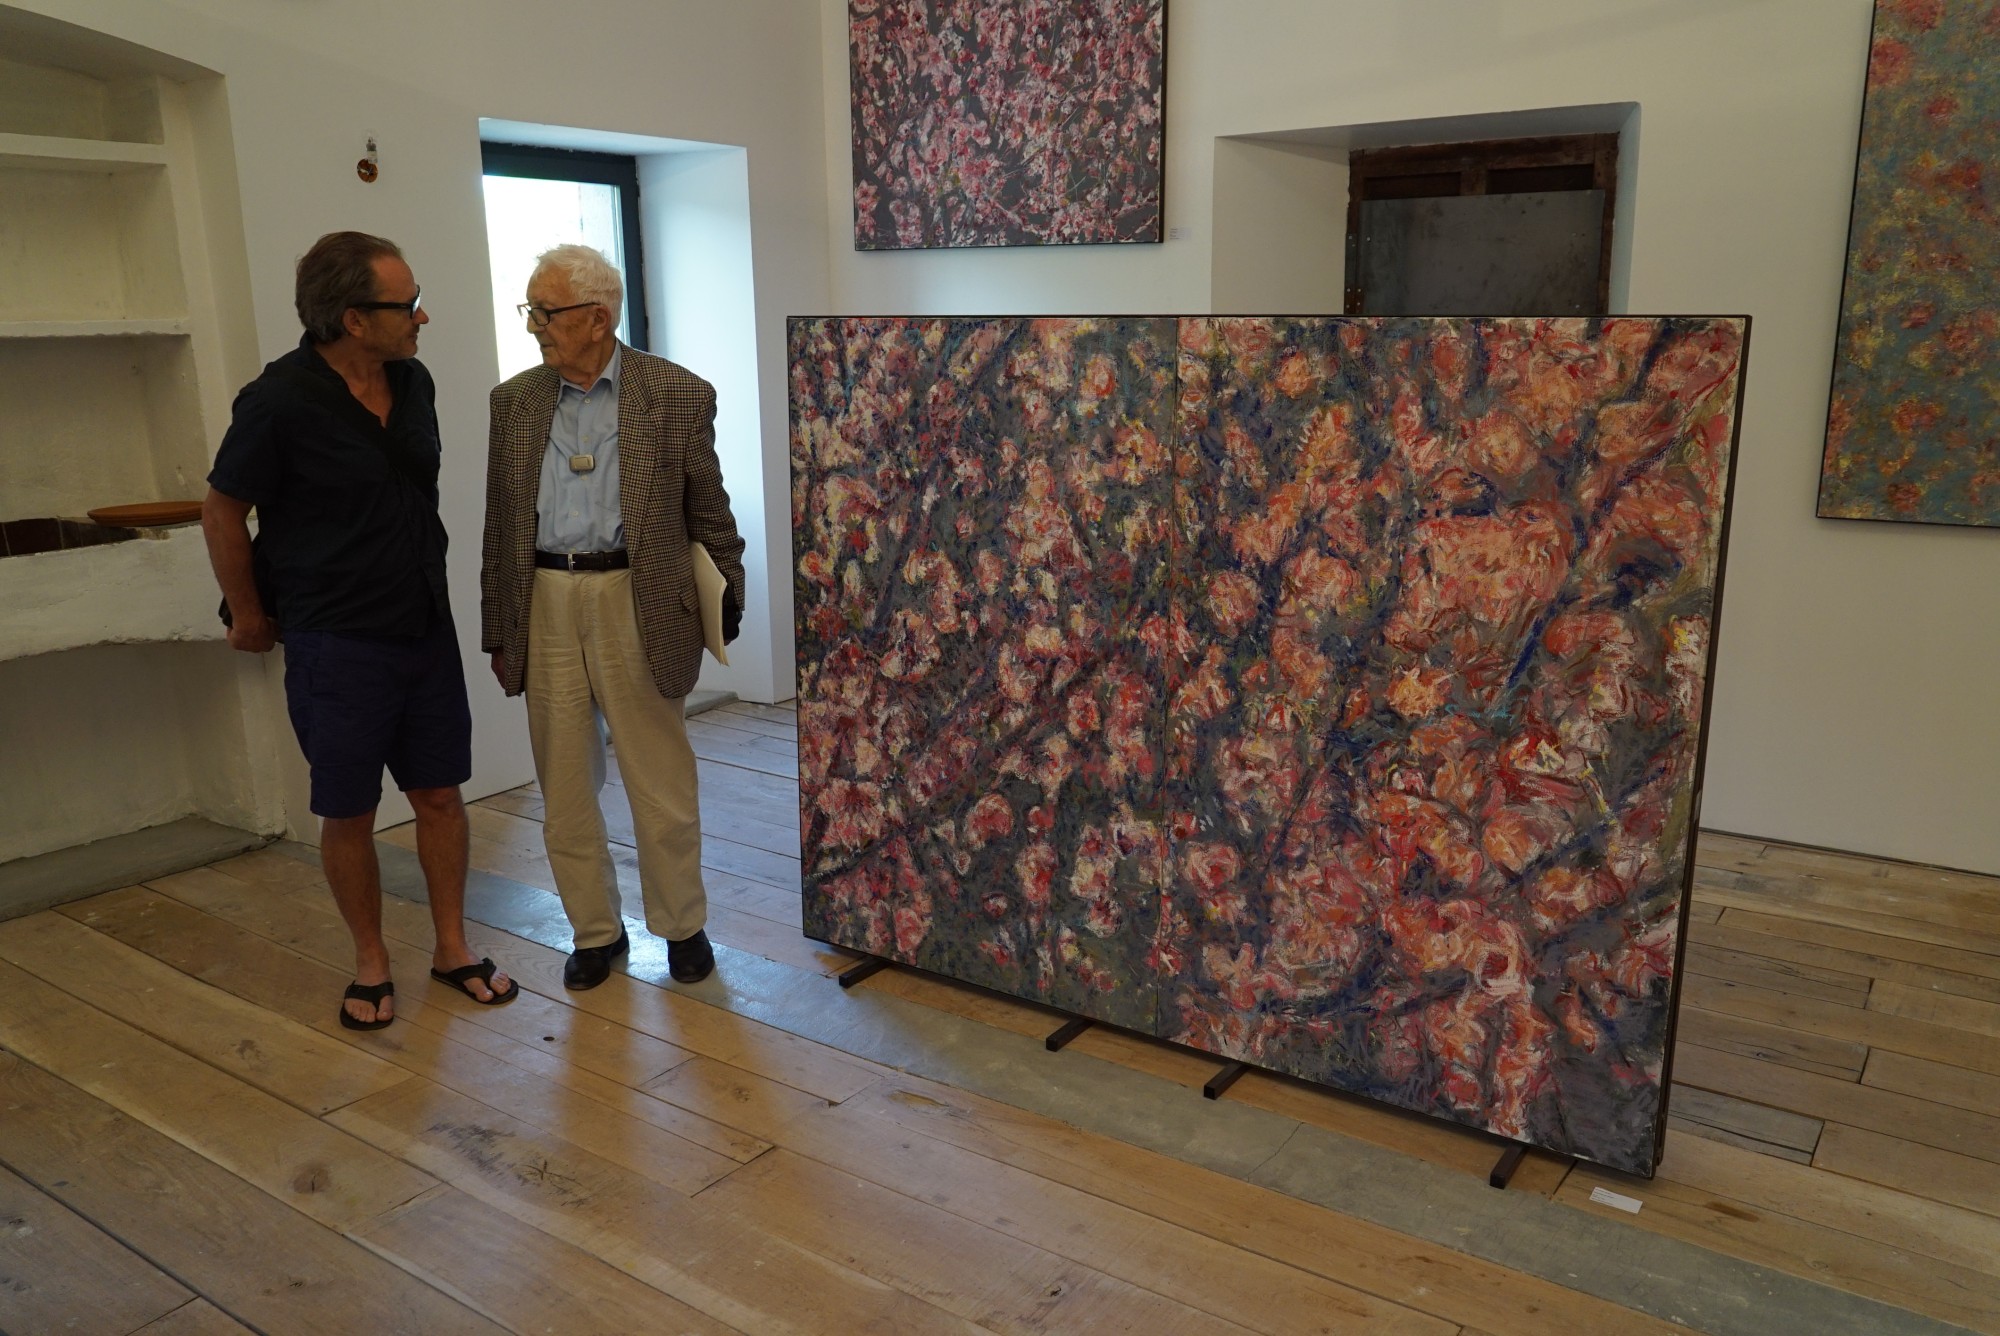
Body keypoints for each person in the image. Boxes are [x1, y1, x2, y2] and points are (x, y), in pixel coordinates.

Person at [202, 230, 516, 1030]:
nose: (422, 316)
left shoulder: (413, 382)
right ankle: (370, 960)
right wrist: (247, 611)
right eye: (407, 304)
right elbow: (223, 509)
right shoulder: (278, 402)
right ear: (352, 318)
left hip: (424, 627)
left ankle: (452, 947)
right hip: (335, 641)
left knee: (439, 794)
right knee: (348, 809)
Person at [481, 244, 745, 990]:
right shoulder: (514, 402)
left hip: (639, 594)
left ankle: (682, 926)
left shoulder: (677, 393)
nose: (533, 325)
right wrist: (498, 628)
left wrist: (726, 595)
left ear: (597, 319)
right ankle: (595, 933)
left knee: (660, 780)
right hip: (545, 597)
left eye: (545, 312)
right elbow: (500, 525)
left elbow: (709, 508)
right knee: (564, 783)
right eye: (531, 310)